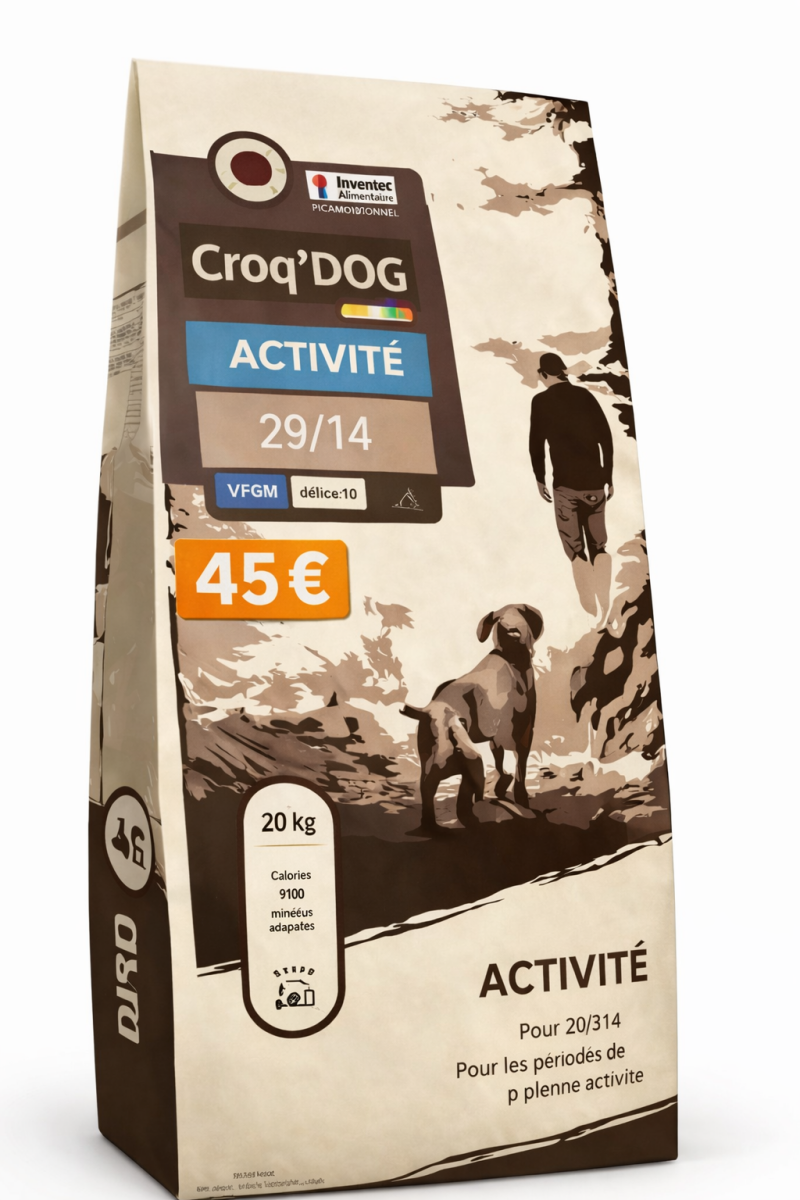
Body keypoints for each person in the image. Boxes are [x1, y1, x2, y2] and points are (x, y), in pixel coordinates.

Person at [529, 352, 614, 615]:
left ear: (544, 374)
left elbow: (536, 444)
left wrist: (540, 478)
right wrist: (608, 476)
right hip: (594, 485)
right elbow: (606, 437)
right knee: (599, 546)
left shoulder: (540, 401)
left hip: (564, 486)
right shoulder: (585, 396)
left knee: (576, 550)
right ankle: (605, 600)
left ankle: (590, 607)